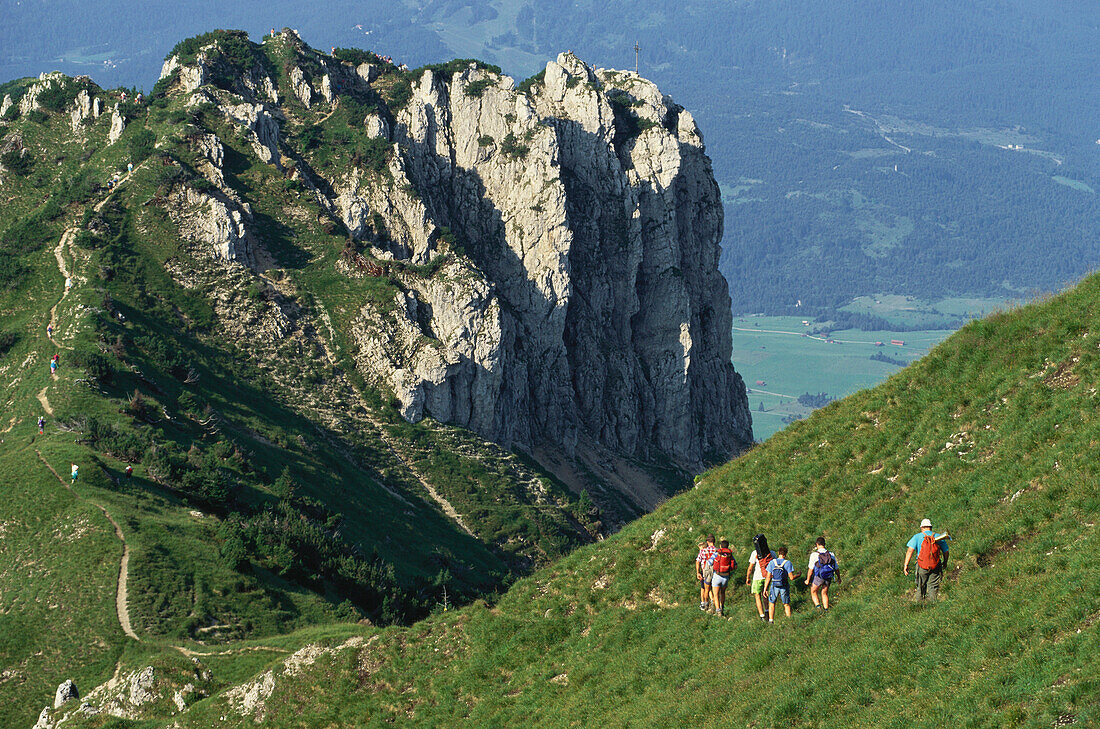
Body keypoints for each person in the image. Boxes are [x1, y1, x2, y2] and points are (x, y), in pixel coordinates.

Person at [904, 518, 950, 601]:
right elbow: (946, 551)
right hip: (935, 565)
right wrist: (945, 562)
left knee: (920, 586)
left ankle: (919, 606)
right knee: (933, 586)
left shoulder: (917, 537)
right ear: (931, 527)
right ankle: (933, 606)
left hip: (921, 566)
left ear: (922, 528)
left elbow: (910, 551)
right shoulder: (938, 536)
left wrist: (906, 565)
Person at [745, 534, 776, 622]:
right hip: (768, 577)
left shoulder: (755, 553)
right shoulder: (772, 553)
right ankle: (767, 611)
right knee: (765, 593)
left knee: (757, 595)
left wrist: (748, 577)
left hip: (757, 577)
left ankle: (762, 616)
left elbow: (750, 567)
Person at [806, 537, 840, 611]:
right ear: (824, 544)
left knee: (813, 591)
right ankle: (826, 609)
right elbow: (836, 568)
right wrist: (839, 578)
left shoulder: (814, 555)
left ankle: (818, 609)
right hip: (828, 576)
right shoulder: (831, 554)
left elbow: (810, 569)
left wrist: (808, 580)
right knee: (824, 593)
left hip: (819, 577)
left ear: (817, 544)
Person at [764, 546, 797, 622]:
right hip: (784, 585)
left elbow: (768, 577)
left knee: (772, 603)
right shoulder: (787, 563)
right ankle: (789, 620)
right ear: (785, 554)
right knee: (786, 604)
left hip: (774, 585)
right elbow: (791, 577)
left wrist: (765, 589)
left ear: (778, 553)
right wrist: (798, 575)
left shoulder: (772, 562)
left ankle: (771, 621)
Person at [709, 538, 737, 616]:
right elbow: (735, 565)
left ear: (720, 546)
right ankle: (722, 607)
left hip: (717, 576)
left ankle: (718, 611)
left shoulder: (717, 553)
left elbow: (709, 562)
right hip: (726, 577)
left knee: (716, 594)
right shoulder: (730, 554)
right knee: (723, 593)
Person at [695, 534, 717, 611]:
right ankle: (716, 605)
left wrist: (698, 572)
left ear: (707, 542)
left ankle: (706, 605)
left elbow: (698, 561)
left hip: (706, 571)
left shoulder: (703, 551)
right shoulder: (717, 550)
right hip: (716, 571)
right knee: (716, 589)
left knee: (706, 589)